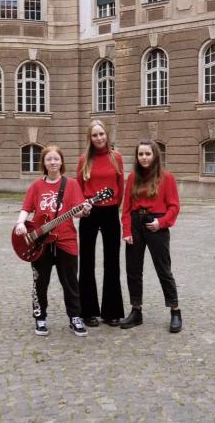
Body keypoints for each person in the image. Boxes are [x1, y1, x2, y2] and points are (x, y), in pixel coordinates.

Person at [15, 145, 92, 337]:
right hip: (40, 242)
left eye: (56, 159)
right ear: (44, 163)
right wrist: (20, 223)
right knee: (40, 282)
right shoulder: (36, 186)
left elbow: (80, 212)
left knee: (71, 283)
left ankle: (75, 317)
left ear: (61, 162)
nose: (53, 162)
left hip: (66, 240)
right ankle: (40, 317)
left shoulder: (72, 184)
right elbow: (26, 207)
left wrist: (85, 210)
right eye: (49, 159)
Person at [119, 140, 182, 333]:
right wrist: (127, 231)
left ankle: (175, 311)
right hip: (136, 224)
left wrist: (161, 223)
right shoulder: (132, 178)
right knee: (133, 271)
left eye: (147, 154)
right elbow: (126, 208)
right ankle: (136, 311)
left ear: (155, 155)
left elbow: (174, 206)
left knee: (164, 269)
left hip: (157, 224)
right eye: (141, 154)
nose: (144, 158)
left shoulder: (166, 177)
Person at [76, 120, 125, 327]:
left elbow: (120, 187)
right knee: (86, 261)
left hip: (111, 212)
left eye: (101, 134)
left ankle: (111, 311)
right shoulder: (83, 160)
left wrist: (115, 207)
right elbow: (77, 189)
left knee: (112, 261)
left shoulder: (117, 158)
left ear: (107, 135)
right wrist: (83, 207)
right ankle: (87, 311)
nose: (99, 138)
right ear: (90, 137)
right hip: (89, 213)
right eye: (95, 135)